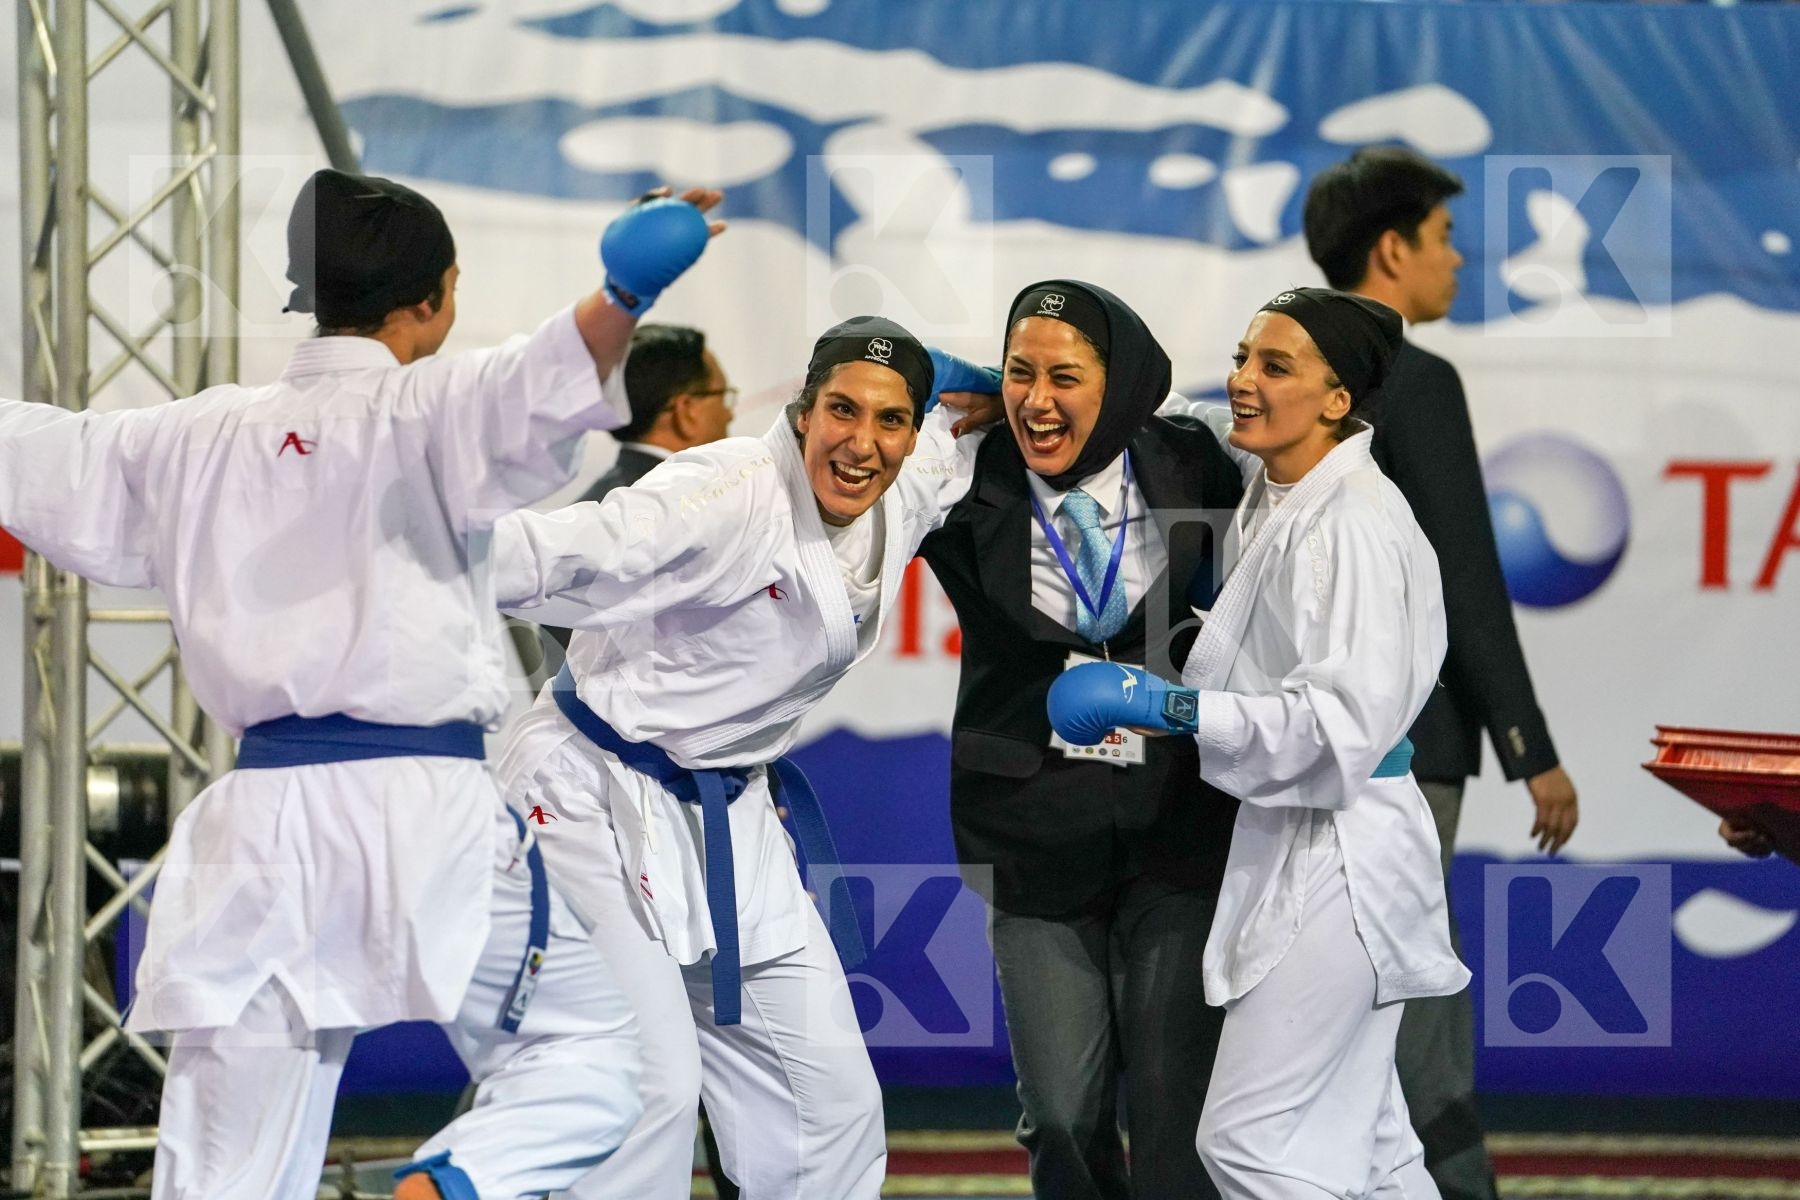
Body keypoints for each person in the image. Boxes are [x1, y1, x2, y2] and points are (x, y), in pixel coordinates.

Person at [0, 168, 722, 1200]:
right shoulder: (427, 405)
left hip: (257, 828)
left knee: (225, 1170)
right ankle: (454, 1185)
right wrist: (625, 293)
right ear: (433, 299)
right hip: (419, 810)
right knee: (594, 1057)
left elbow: (29, 452)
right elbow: (539, 381)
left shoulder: (188, 435)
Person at [487, 317, 999, 1199]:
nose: (862, 442)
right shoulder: (724, 489)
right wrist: (385, 544)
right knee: (642, 1090)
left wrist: (983, 379)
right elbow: (556, 552)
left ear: (915, 431)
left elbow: (1006, 407)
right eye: (842, 410)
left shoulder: (917, 477)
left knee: (828, 1103)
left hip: (730, 815)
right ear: (802, 413)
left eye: (890, 420)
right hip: (586, 799)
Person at [1050, 287, 1469, 1198]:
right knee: (1373, 1154)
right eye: (1243, 356)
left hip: (1342, 850)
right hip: (1318, 836)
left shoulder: (1349, 524)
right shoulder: (1284, 487)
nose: (1243, 381)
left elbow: (1341, 728)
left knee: (1251, 1144)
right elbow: (1188, 413)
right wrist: (1067, 388)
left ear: (1337, 400)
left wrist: (1178, 710)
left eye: (1275, 367)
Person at [917, 280, 1245, 1200]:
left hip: (1181, 827)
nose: (1035, 400)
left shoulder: (1193, 460)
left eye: (1065, 376)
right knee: (1062, 1114)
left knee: (1180, 1117)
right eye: (1018, 373)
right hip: (1029, 831)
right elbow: (833, 433)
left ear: (1122, 386)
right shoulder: (959, 473)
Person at [1304, 145, 1580, 1199]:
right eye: (1445, 238)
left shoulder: (1272, 378)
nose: (1459, 261)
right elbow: (1463, 579)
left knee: (1339, 1014)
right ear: (1391, 249)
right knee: (1417, 1014)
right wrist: (1533, 750)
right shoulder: (1413, 379)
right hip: (1413, 754)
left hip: (1299, 751)